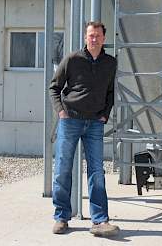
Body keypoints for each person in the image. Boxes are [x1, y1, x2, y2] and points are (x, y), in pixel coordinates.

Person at [49, 21, 119, 237]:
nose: (94, 39)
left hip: (95, 124)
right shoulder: (72, 59)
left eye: (97, 35)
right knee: (62, 169)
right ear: (85, 37)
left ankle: (99, 220)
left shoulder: (110, 62)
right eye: (90, 35)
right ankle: (61, 217)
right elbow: (54, 88)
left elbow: (110, 92)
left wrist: (105, 114)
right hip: (70, 120)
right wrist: (61, 112)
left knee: (97, 172)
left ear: (103, 38)